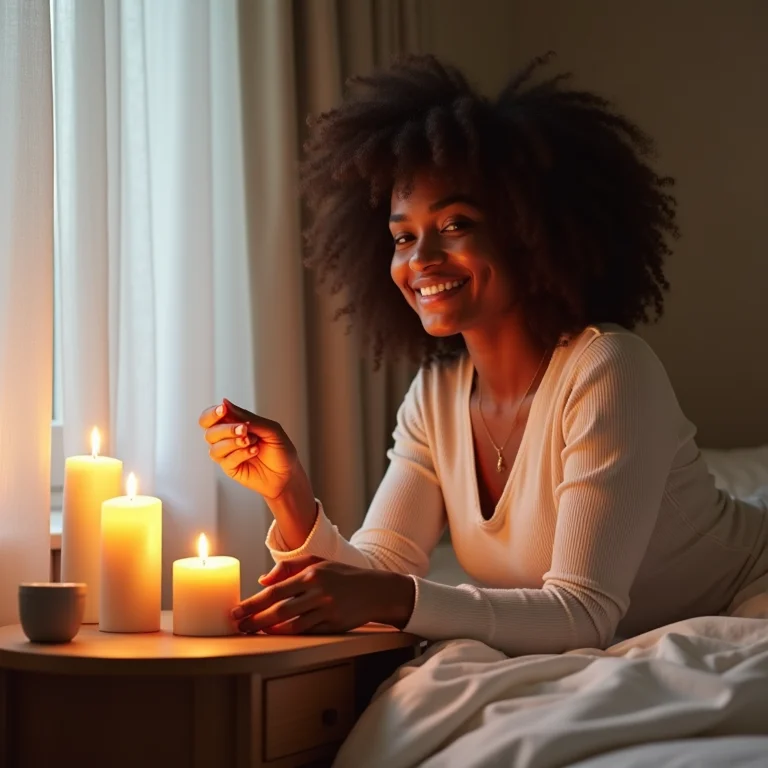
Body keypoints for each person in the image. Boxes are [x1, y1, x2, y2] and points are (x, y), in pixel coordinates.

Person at [198, 54, 768, 656]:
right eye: (402, 236)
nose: (420, 259)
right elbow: (372, 573)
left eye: (456, 224)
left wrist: (393, 597)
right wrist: (288, 494)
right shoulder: (436, 393)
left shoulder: (609, 368)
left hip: (750, 595)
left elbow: (584, 612)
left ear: (530, 231)